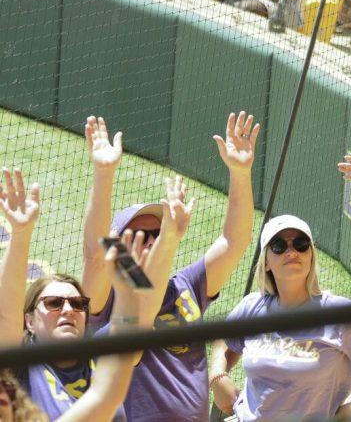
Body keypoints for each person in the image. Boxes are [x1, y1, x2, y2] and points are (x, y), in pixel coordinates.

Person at [81, 112, 260, 422]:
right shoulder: (109, 300)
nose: (151, 241)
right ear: (118, 248)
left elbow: (234, 242)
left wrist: (240, 173)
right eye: (139, 235)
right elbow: (96, 257)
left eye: (157, 233)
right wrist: (104, 173)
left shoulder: (185, 286)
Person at [0, 165, 190, 422]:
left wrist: (169, 240)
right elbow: (6, 316)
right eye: (54, 303)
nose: (68, 310)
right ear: (30, 320)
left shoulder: (98, 352)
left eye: (78, 304)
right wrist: (20, 235)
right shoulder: (21, 365)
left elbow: (141, 318)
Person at [209, 214, 351, 420]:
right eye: (279, 246)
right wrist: (217, 375)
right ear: (266, 262)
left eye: (301, 244)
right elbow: (224, 341)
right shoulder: (252, 306)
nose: (291, 252)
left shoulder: (338, 313)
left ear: (311, 255)